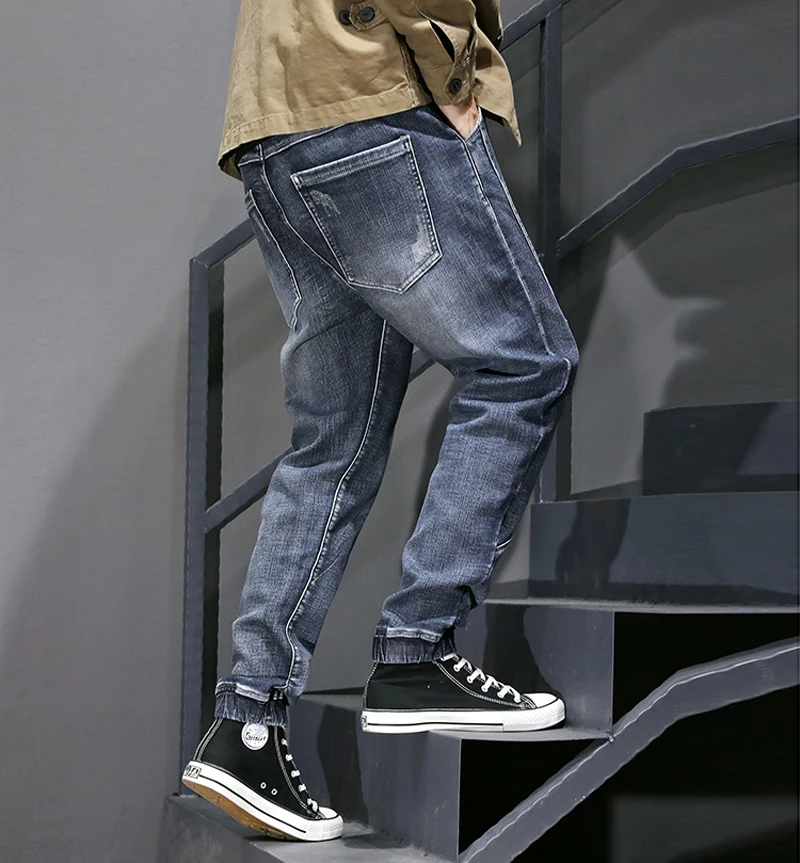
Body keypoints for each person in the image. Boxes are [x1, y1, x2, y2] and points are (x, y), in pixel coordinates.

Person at [181, 0, 580, 842]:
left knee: (334, 443)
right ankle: (417, 649)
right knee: (525, 363)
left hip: (275, 132)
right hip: (371, 103)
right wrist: (454, 78)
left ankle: (248, 720)